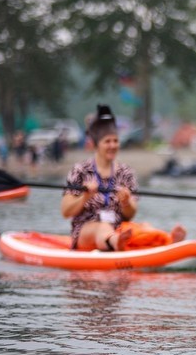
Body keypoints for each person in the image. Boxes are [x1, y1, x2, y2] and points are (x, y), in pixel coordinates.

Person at [60, 104, 186, 251]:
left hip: (119, 228)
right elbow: (65, 211)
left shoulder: (126, 172)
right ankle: (116, 242)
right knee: (102, 228)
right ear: (97, 145)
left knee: (144, 226)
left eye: (115, 141)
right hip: (86, 231)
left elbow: (131, 214)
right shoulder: (80, 170)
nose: (112, 145)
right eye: (107, 141)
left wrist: (126, 202)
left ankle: (167, 240)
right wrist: (85, 196)